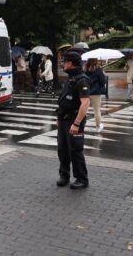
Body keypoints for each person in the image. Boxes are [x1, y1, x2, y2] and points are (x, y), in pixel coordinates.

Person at [55, 51, 90, 190]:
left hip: (74, 120)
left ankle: (82, 179)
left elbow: (85, 103)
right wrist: (59, 118)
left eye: (64, 61)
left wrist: (76, 123)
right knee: (62, 149)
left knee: (75, 150)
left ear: (71, 63)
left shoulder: (82, 79)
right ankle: (64, 175)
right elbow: (63, 100)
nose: (63, 64)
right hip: (64, 119)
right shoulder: (70, 78)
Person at [84, 58, 107, 133]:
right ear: (96, 61)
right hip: (96, 93)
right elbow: (102, 82)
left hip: (86, 92)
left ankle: (81, 125)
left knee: (84, 110)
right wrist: (102, 73)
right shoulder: (98, 70)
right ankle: (97, 127)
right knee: (97, 110)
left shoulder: (85, 69)